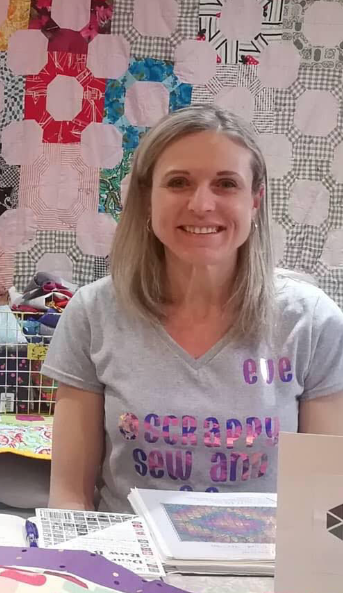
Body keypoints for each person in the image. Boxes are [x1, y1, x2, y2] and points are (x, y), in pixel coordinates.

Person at [42, 105, 343, 513]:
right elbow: (69, 498)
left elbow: (324, 507)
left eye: (226, 184)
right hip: (124, 551)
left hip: (263, 554)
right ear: (147, 199)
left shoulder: (313, 322)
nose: (202, 204)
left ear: (255, 200)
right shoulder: (92, 313)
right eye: (179, 182)